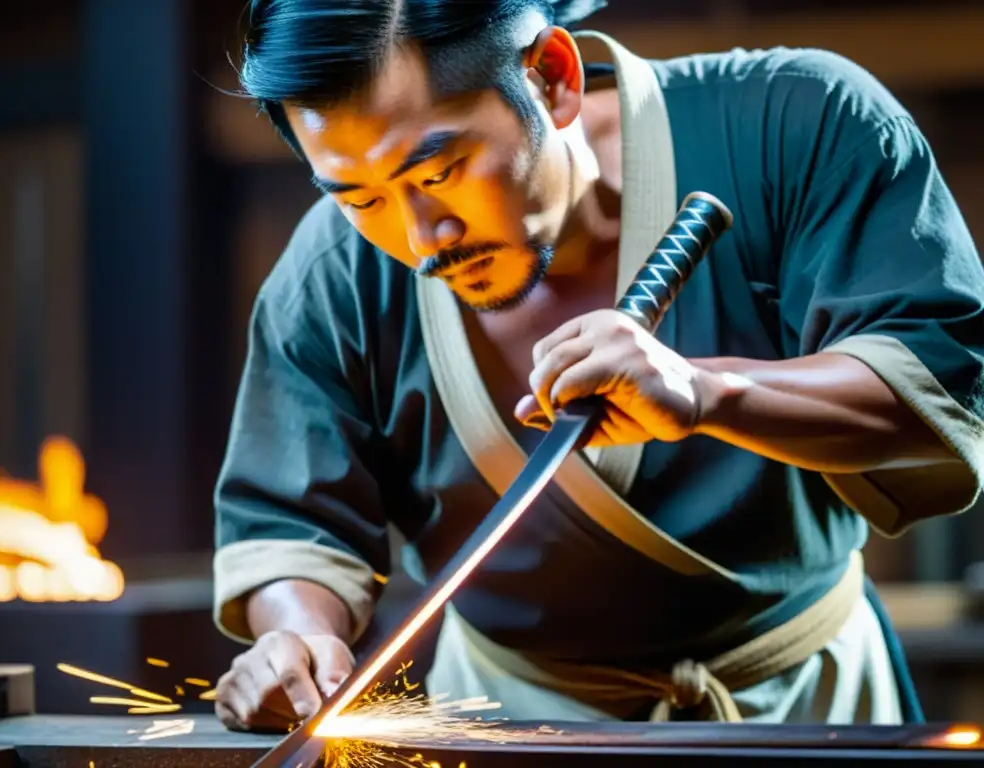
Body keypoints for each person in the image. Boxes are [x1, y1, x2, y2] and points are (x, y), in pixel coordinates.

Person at [211, 0, 984, 733]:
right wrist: (296, 633)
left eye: (438, 173)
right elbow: (294, 526)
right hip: (500, 722)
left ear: (552, 76)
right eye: (359, 199)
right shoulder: (332, 272)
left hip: (803, 704)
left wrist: (708, 393)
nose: (420, 240)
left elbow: (933, 392)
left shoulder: (797, 122)